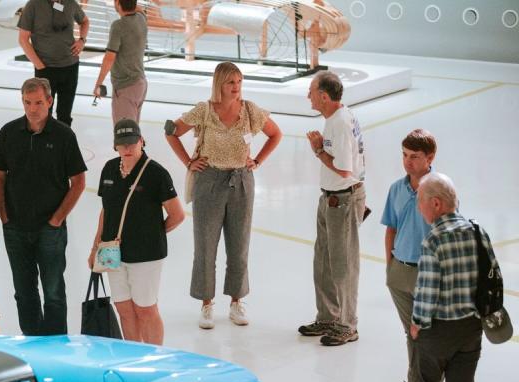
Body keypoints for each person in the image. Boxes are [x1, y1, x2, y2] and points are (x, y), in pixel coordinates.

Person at [396, 173, 496, 382]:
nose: (421, 209)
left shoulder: (435, 240)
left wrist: (416, 324)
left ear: (436, 204)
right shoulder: (477, 231)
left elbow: (427, 292)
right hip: (470, 331)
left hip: (437, 332)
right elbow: (491, 276)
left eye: (422, 202)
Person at [165, 61, 281, 329]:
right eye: (231, 82)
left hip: (241, 181)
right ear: (219, 84)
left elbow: (275, 134)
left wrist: (258, 161)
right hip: (209, 181)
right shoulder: (204, 110)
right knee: (205, 245)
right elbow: (172, 132)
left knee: (239, 245)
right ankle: (206, 304)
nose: (236, 88)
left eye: (239, 82)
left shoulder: (250, 110)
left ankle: (236, 302)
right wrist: (188, 162)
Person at [0, 77, 87, 336]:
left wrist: (56, 220)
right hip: (15, 228)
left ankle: (56, 345)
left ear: (50, 101)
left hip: (50, 230)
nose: (33, 108)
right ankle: (32, 342)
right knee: (23, 292)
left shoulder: (64, 135)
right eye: (27, 102)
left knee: (53, 292)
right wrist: (3, 215)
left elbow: (78, 182)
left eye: (38, 102)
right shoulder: (8, 132)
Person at [89, 119, 184, 344]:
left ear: (142, 141)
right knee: (123, 308)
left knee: (145, 309)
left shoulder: (156, 173)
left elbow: (177, 215)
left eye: (133, 143)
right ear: (115, 146)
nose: (128, 148)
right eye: (123, 144)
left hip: (146, 255)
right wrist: (95, 248)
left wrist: (153, 234)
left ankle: (154, 360)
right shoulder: (110, 169)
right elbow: (106, 212)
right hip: (112, 252)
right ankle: (134, 357)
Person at [299, 70, 366, 346]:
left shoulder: (338, 123)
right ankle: (328, 316)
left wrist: (317, 150)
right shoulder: (338, 117)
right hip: (331, 198)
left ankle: (347, 324)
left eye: (312, 92)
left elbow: (343, 168)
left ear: (324, 97)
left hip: (343, 199)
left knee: (343, 266)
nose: (308, 97)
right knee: (324, 262)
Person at [379, 129, 444, 382]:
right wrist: (390, 266)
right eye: (404, 155)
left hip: (429, 275)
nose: (407, 162)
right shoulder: (396, 188)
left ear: (430, 158)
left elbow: (447, 233)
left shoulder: (441, 189)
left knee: (429, 336)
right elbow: (391, 228)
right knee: (412, 334)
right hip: (400, 272)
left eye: (414, 157)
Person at [17, 0, 90, 126]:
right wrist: (40, 66)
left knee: (65, 115)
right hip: (46, 69)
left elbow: (85, 21)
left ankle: (63, 143)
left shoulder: (70, 3)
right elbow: (23, 39)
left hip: (70, 67)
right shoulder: (33, 5)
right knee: (43, 114)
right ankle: (42, 143)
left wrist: (82, 40)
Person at [92, 0, 147, 124]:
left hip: (126, 87)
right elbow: (138, 8)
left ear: (117, 3)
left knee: (124, 137)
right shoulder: (141, 18)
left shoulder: (118, 26)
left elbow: (109, 58)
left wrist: (98, 84)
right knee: (133, 132)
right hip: (140, 84)